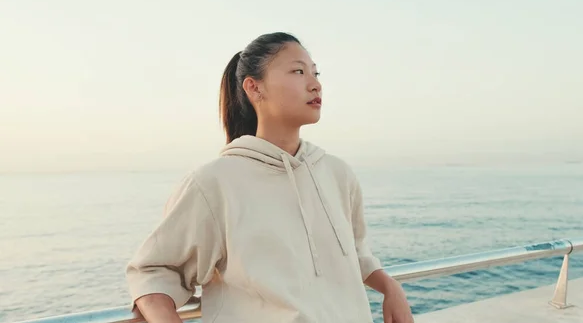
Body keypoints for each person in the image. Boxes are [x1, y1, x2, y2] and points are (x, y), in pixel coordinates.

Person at [125, 32, 413, 323]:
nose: (315, 84)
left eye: (315, 73)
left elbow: (357, 253)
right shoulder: (213, 183)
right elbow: (154, 270)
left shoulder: (338, 174)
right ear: (254, 88)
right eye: (298, 71)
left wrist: (390, 286)